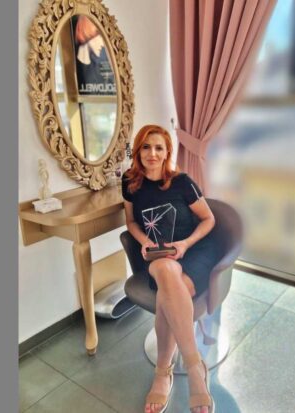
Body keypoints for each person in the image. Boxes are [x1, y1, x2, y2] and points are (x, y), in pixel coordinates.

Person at [121, 125, 218, 413]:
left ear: (167, 153)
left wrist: (185, 244)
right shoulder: (129, 182)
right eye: (146, 147)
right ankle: (195, 367)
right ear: (138, 150)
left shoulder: (182, 182)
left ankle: (164, 372)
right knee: (164, 269)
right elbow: (131, 222)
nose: (152, 153)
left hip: (193, 250)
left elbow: (209, 219)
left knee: (168, 294)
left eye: (158, 148)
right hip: (158, 254)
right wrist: (144, 242)